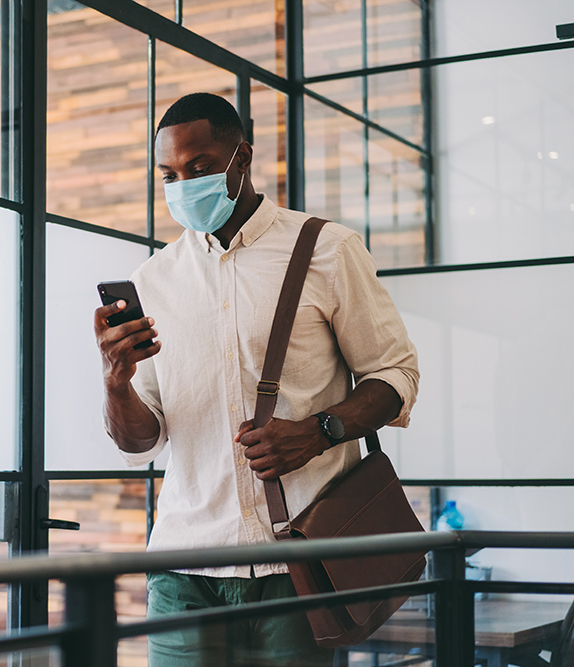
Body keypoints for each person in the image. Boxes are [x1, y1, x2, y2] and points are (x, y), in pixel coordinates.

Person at [93, 92, 420, 666]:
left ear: (241, 156)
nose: (183, 185)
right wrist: (116, 382)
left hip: (297, 565)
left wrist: (321, 430)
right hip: (181, 570)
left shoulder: (326, 249)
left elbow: (396, 375)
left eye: (198, 168)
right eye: (169, 174)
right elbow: (141, 441)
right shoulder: (155, 278)